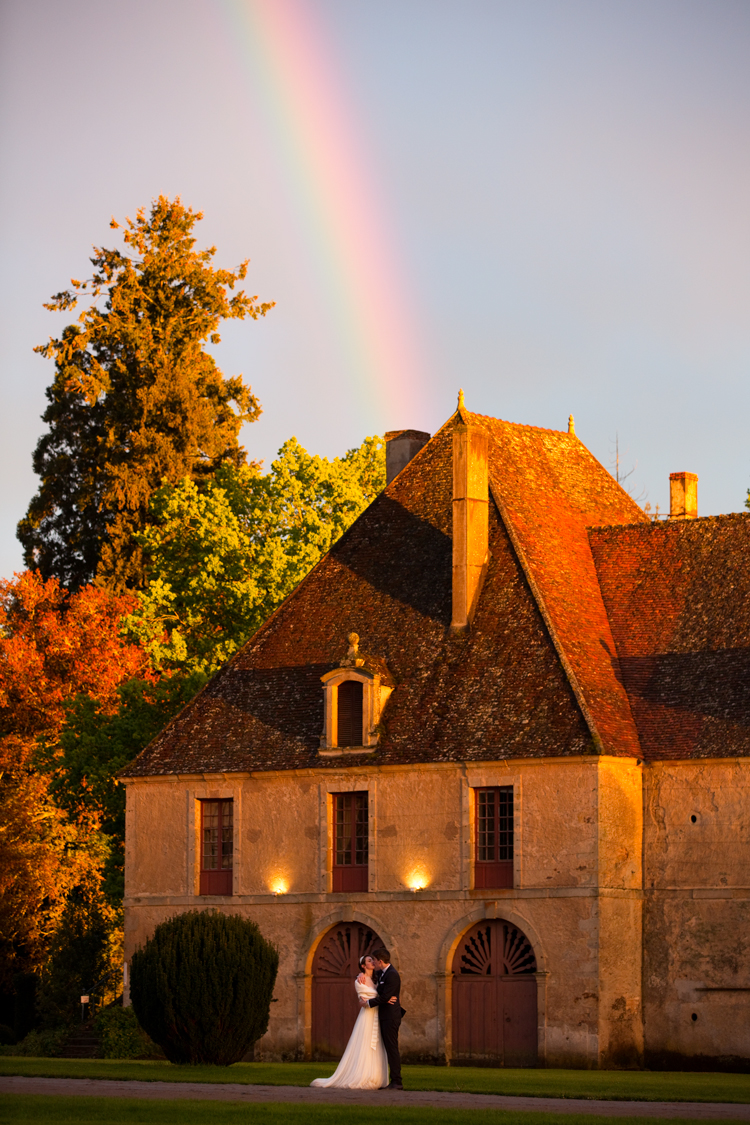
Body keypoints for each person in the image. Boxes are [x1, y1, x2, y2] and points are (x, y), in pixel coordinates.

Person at [309, 954, 388, 1089]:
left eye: (372, 960)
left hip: (378, 1016)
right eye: (369, 961)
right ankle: (363, 1075)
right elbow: (364, 1000)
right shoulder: (360, 981)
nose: (373, 962)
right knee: (366, 1044)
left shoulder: (377, 977)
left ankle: (376, 1076)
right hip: (368, 1016)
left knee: (377, 1046)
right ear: (363, 966)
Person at [359, 946, 404, 1090]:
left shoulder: (392, 974)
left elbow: (385, 996)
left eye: (375, 961)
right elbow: (370, 979)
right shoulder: (383, 974)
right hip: (385, 1016)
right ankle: (392, 1080)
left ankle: (397, 1081)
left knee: (392, 1048)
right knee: (388, 1048)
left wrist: (368, 1003)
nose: (374, 964)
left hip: (391, 1017)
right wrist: (359, 975)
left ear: (380, 961)